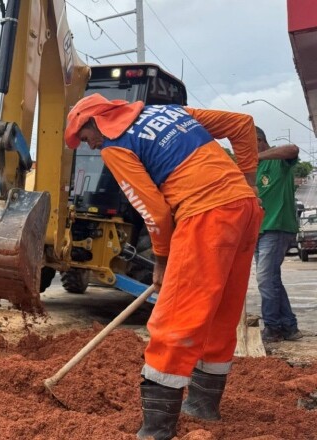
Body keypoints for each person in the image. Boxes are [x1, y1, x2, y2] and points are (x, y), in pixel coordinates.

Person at [65, 94, 263, 440]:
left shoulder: (116, 144)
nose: (91, 146)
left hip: (205, 214)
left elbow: (154, 212)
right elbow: (242, 124)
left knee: (175, 318)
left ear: (95, 121)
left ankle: (156, 430)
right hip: (244, 209)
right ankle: (203, 405)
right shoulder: (169, 112)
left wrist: (161, 261)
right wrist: (246, 181)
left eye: (85, 137)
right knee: (221, 311)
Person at [254, 126, 302, 342]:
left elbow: (293, 149)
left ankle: (273, 327)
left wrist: (257, 156)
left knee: (265, 279)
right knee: (271, 279)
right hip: (258, 230)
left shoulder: (278, 160)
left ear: (258, 140)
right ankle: (289, 327)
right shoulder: (252, 168)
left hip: (277, 226)